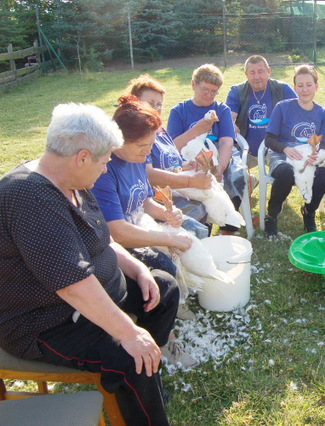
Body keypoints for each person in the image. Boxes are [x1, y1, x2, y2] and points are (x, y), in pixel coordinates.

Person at [0, 103, 178, 425]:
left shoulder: (72, 180)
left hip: (96, 296)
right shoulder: (28, 196)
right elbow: (72, 285)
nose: (107, 166)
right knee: (129, 357)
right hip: (50, 322)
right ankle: (140, 384)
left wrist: (136, 269)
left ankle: (150, 373)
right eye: (105, 160)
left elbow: (103, 237)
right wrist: (129, 334)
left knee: (164, 287)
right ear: (82, 157)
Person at [91, 96, 203, 333]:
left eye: (151, 145)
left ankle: (181, 294)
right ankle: (158, 324)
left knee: (196, 229)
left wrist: (164, 214)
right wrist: (168, 238)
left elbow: (143, 199)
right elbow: (119, 233)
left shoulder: (137, 157)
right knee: (164, 264)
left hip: (139, 221)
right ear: (118, 141)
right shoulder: (103, 171)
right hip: (117, 241)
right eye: (143, 147)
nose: (148, 152)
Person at [167, 63, 246, 235]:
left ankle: (228, 230)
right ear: (193, 85)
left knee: (237, 177)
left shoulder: (222, 109)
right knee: (200, 189)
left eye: (213, 91)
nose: (208, 95)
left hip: (219, 153)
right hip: (189, 159)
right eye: (204, 89)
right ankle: (205, 229)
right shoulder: (179, 111)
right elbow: (173, 147)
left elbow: (226, 142)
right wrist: (197, 130)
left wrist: (221, 168)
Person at [126, 74, 211, 228]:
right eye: (150, 103)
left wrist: (188, 165)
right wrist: (191, 181)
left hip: (177, 186)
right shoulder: (136, 136)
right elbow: (149, 175)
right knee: (199, 205)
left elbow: (173, 163)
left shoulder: (159, 130)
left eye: (159, 104)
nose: (156, 108)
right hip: (155, 196)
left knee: (210, 194)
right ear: (134, 102)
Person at [263, 64, 325, 237]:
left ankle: (309, 211)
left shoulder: (324, 114)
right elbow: (269, 139)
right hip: (282, 155)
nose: (305, 89)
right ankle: (272, 215)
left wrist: (316, 156)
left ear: (316, 87)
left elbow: (323, 144)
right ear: (294, 88)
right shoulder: (282, 107)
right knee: (286, 172)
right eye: (300, 85)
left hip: (308, 157)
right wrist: (285, 149)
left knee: (323, 176)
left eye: (309, 85)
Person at [226, 55, 297, 157]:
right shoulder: (237, 91)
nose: (256, 77)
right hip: (245, 150)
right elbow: (229, 116)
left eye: (260, 72)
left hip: (276, 149)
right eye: (252, 73)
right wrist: (231, 123)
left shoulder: (282, 89)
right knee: (233, 170)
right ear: (246, 74)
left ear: (268, 71)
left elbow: (299, 112)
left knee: (284, 171)